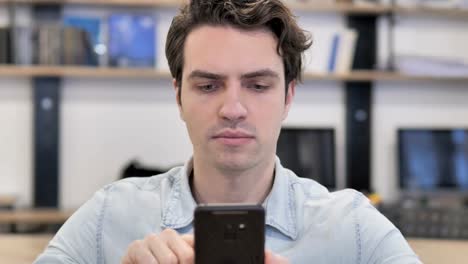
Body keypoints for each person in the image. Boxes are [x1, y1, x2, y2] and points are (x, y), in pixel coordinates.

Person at [34, 0, 421, 263]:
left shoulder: (353, 226)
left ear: (288, 96)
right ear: (178, 95)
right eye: (207, 86)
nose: (232, 109)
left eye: (257, 85)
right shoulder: (109, 216)